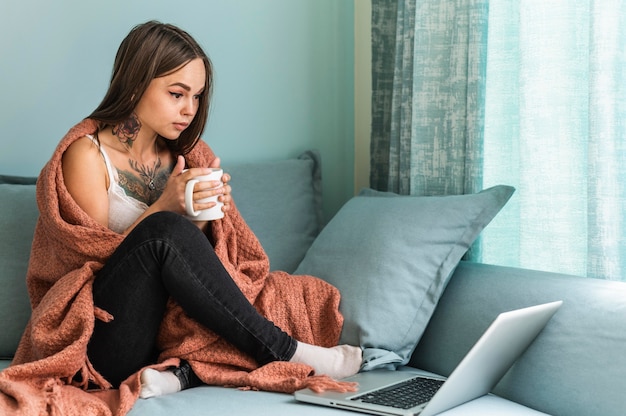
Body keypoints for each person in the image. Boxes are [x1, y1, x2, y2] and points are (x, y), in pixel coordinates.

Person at [27, 20, 362, 400]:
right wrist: (164, 208)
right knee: (165, 230)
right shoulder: (87, 155)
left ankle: (183, 373)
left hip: (160, 336)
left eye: (198, 96)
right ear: (136, 83)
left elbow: (197, 274)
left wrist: (204, 218)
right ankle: (282, 349)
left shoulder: (186, 155)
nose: (190, 109)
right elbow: (93, 263)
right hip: (101, 340)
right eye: (177, 93)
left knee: (179, 237)